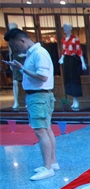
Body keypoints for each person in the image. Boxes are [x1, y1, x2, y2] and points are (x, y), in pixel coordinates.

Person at [3, 28, 58, 180]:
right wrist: (21, 68)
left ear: (22, 40)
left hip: (39, 96)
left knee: (41, 131)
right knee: (46, 129)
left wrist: (22, 69)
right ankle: (52, 163)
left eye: (15, 45)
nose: (15, 49)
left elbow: (42, 77)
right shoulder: (33, 54)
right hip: (39, 96)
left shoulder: (39, 53)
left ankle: (48, 168)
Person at [58, 23, 87, 111]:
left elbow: (79, 50)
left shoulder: (75, 39)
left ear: (70, 28)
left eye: (66, 27)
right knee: (68, 80)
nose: (64, 29)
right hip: (66, 60)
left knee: (74, 79)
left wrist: (83, 62)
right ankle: (74, 100)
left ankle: (76, 100)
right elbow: (64, 51)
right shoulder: (63, 39)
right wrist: (62, 58)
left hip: (73, 59)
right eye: (64, 28)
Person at [7, 22, 25, 110]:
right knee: (15, 82)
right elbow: (10, 52)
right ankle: (16, 101)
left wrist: (25, 55)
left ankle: (27, 101)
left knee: (26, 80)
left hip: (23, 59)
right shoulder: (10, 40)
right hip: (15, 59)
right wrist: (10, 62)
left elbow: (27, 49)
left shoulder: (21, 38)